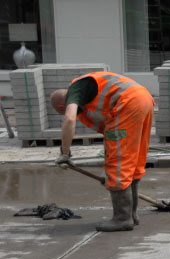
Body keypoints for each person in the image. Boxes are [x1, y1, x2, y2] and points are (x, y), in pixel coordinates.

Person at [50, 72, 154, 232]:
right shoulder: (89, 94)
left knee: (118, 165)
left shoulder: (75, 91)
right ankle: (131, 216)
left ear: (61, 107)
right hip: (144, 99)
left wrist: (65, 153)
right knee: (133, 161)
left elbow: (69, 119)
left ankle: (122, 218)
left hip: (128, 103)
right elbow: (110, 133)